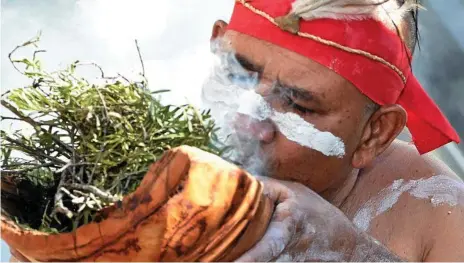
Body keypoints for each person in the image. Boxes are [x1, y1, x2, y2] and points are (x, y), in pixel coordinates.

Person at [206, 0, 464, 261]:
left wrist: (353, 253)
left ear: (374, 135)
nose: (246, 123)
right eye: (237, 74)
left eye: (298, 106)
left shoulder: (441, 215)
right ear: (218, 42)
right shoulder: (173, 118)